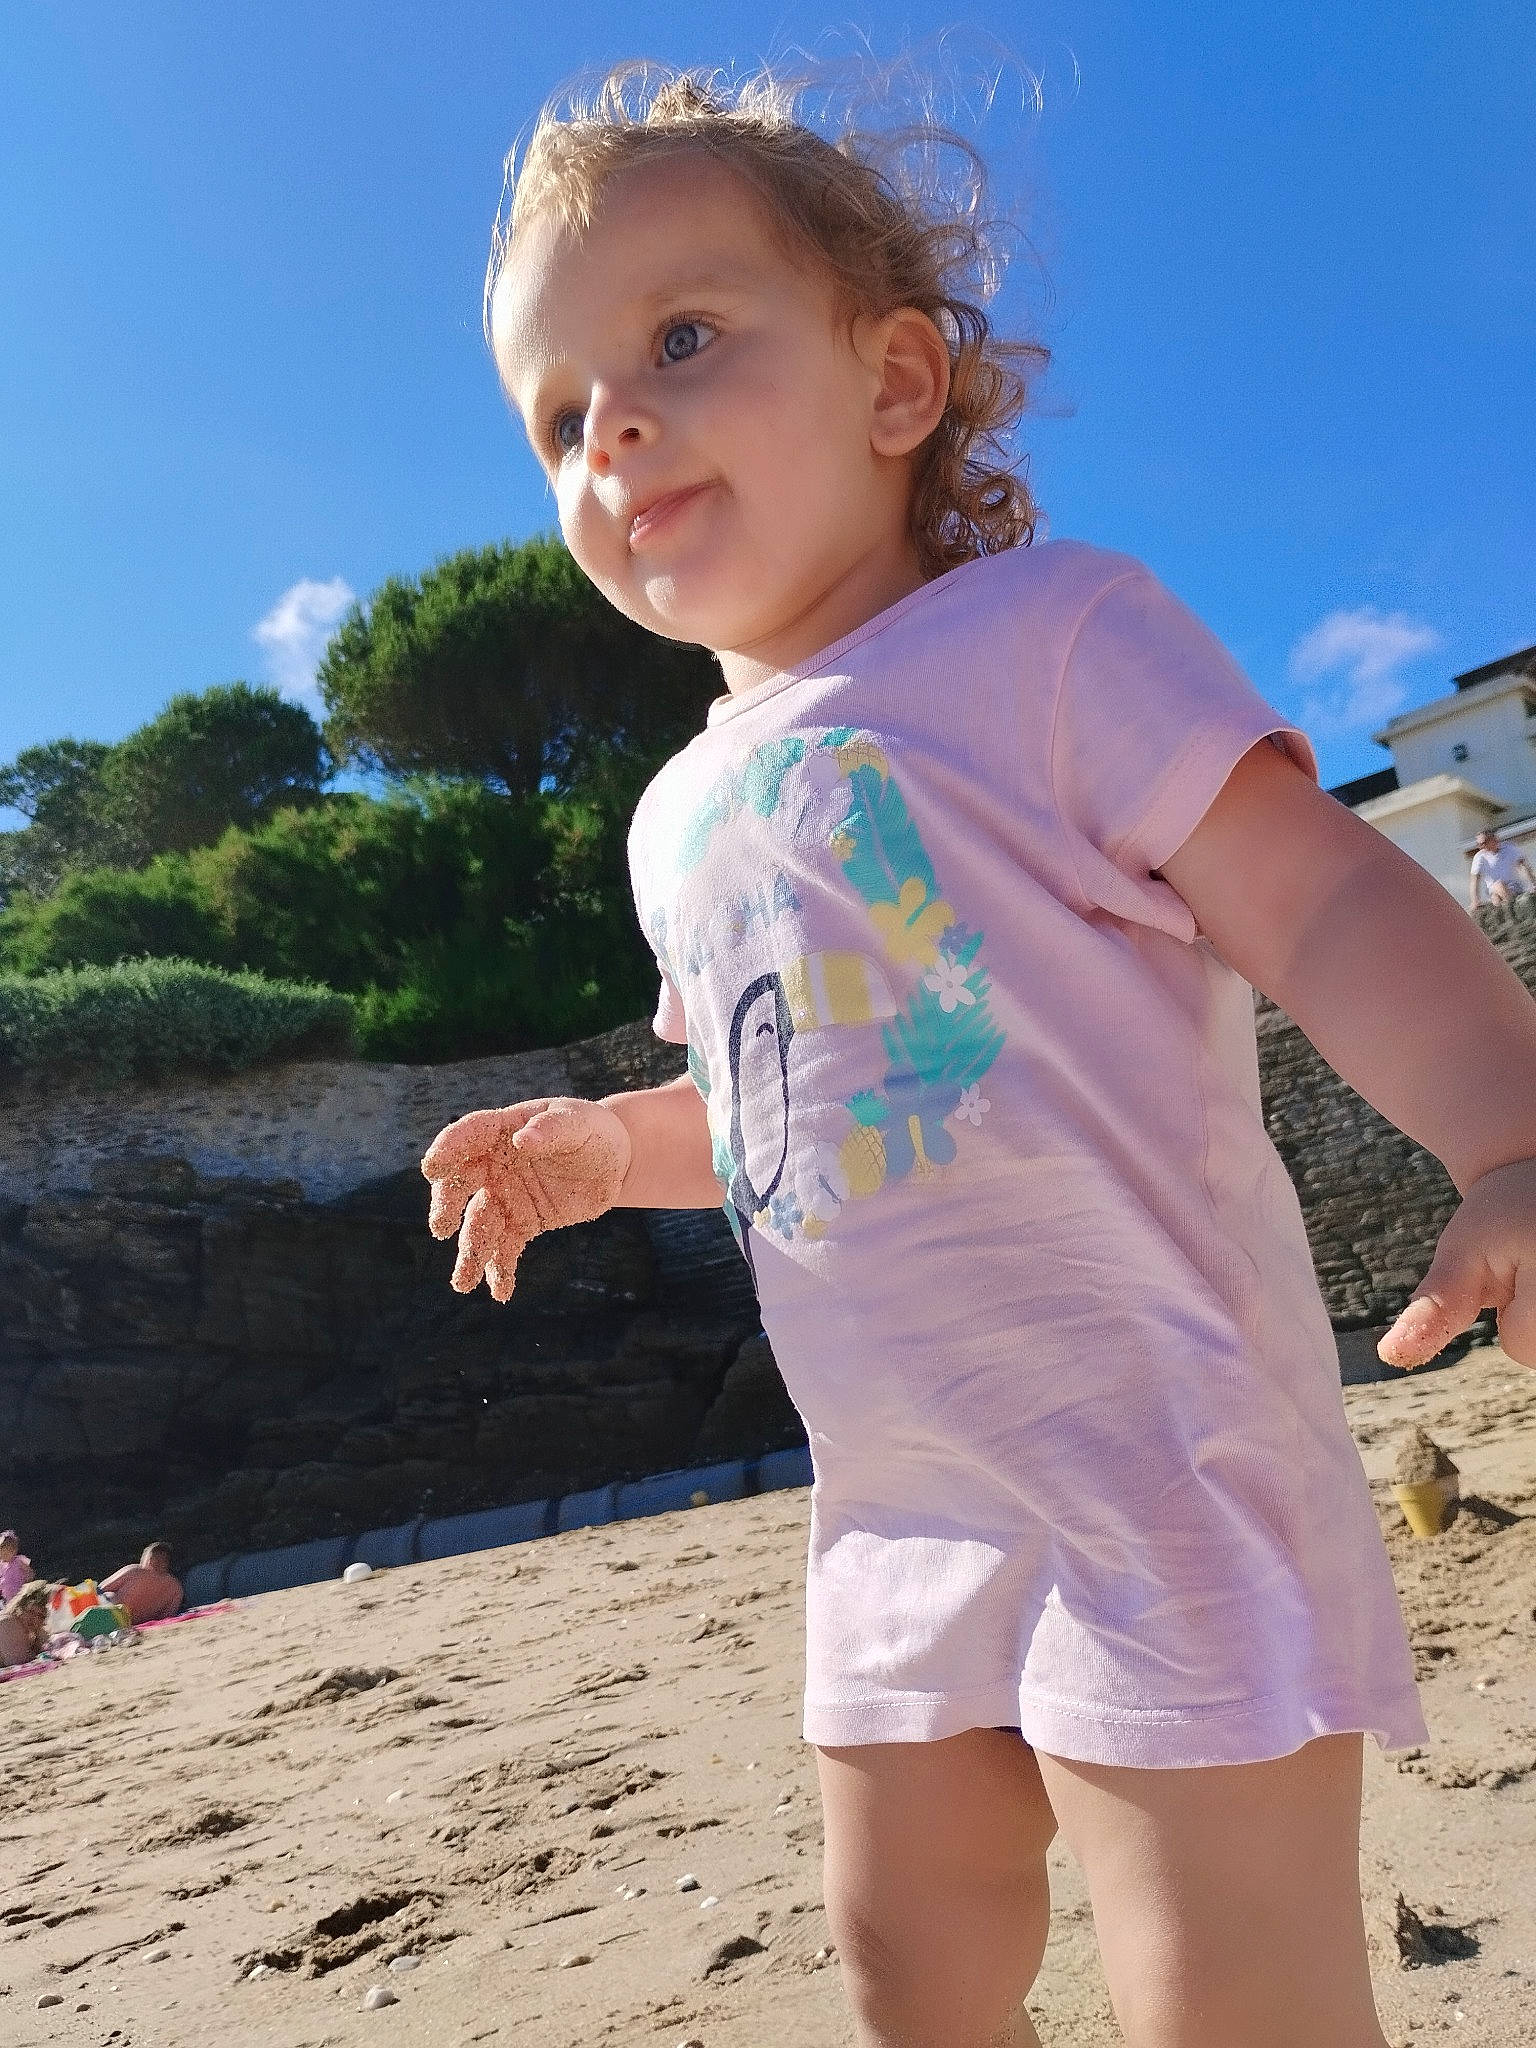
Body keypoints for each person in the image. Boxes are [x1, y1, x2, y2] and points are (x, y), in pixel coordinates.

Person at [420, 67, 1536, 2048]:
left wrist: (1509, 1131)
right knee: (910, 1969)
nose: (616, 432)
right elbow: (797, 1102)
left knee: (1233, 1993)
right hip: (901, 1509)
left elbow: (1324, 901)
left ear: (898, 384)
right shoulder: (675, 816)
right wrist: (608, 1146)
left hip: (1159, 1464)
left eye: (681, 339)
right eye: (559, 413)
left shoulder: (1049, 641)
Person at [99, 1542, 182, 1625]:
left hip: (119, 1619)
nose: (157, 1561)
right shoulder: (175, 1587)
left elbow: (168, 1616)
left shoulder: (175, 1588)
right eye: (155, 1557)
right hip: (112, 1615)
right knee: (107, 1596)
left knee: (107, 1596)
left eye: (162, 1558)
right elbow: (100, 1589)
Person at [1468, 827, 1535, 911]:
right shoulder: (1480, 857)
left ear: (1492, 839)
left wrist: (1533, 884)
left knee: (1498, 894)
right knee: (1497, 890)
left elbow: (1523, 867)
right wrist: (1475, 900)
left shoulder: (1509, 848)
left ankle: (1512, 910)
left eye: (1483, 843)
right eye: (1479, 844)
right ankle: (1513, 911)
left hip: (1515, 887)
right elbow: (1474, 880)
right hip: (1494, 890)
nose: (1481, 847)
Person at [0, 1581, 51, 1669]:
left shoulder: (30, 1631)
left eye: (40, 1616)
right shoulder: (8, 1623)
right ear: (19, 1608)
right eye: (30, 1612)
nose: (34, 1618)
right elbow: (15, 1661)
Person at [0, 1530, 32, 1605]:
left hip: (20, 1592)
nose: (5, 1555)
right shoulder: (1, 1565)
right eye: (2, 1553)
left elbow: (29, 1572)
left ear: (14, 1551)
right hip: (8, 1596)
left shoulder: (19, 1560)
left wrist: (28, 1582)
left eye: (8, 1552)